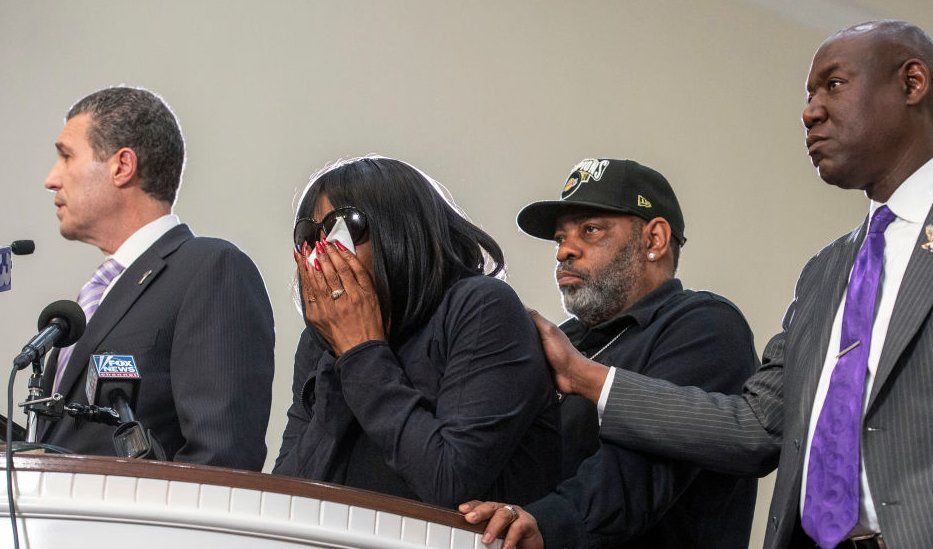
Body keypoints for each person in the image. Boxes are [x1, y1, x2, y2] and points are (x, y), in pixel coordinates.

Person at [470, 20, 933, 549]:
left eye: (833, 85)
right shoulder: (827, 270)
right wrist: (586, 377)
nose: (810, 111)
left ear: (912, 83)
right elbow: (758, 427)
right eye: (808, 94)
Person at [461, 158, 759, 548]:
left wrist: (545, 522)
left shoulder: (705, 326)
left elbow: (638, 475)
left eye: (590, 230)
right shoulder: (565, 340)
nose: (564, 251)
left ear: (654, 240)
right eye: (560, 238)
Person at [273, 156, 561, 508]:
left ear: (400, 229)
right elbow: (285, 496)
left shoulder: (481, 307)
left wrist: (361, 351)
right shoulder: (320, 341)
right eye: (309, 236)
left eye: (341, 227)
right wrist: (339, 356)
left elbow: (448, 483)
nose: (322, 252)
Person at [39, 86, 275, 471]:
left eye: (66, 156)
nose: (51, 179)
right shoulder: (93, 296)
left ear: (122, 166)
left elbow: (222, 455)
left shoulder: (210, 269)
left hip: (139, 529)